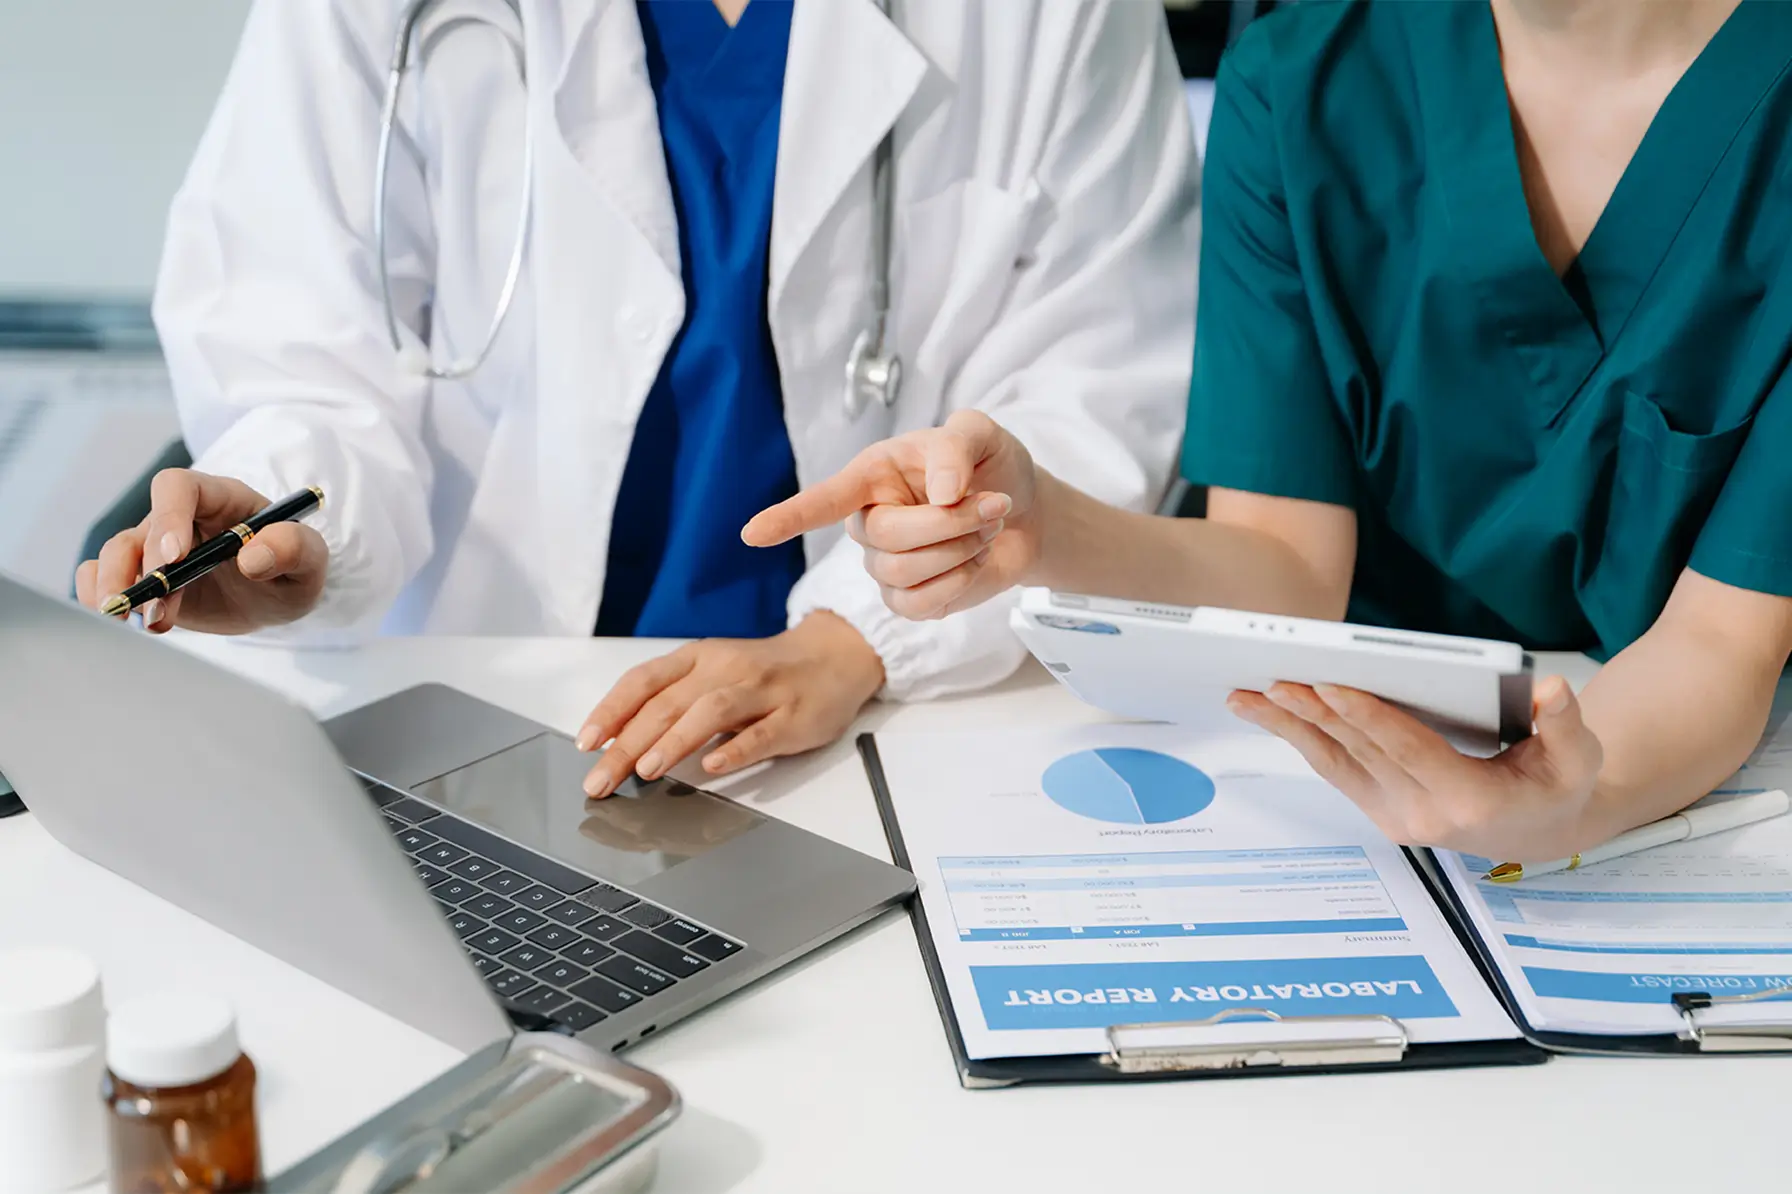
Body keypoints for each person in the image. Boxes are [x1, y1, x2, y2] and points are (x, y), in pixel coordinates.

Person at [745, 0, 1792, 862]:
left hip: (1672, 792)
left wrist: (1573, 800)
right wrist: (1043, 528)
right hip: (1329, 783)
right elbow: (1285, 573)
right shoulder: (1303, 81)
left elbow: (1722, 642)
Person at [75, 0, 1197, 795]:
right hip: (486, 697)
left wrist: (853, 640)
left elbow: (1095, 385)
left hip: (880, 718)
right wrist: (296, 535)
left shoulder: (1057, 18)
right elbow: (296, 333)